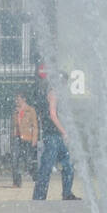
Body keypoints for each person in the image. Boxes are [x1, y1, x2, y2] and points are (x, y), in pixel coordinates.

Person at [32, 67, 80, 201]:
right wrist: (64, 132)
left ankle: (66, 193)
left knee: (68, 164)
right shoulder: (53, 93)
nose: (65, 84)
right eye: (64, 81)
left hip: (55, 136)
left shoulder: (53, 93)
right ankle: (39, 197)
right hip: (53, 136)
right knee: (47, 167)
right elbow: (53, 115)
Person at [11, 89, 38, 188]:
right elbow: (14, 125)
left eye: (18, 99)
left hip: (27, 137)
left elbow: (35, 125)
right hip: (17, 137)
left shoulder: (30, 110)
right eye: (16, 99)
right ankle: (16, 182)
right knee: (15, 160)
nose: (16, 101)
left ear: (24, 99)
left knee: (28, 160)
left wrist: (34, 138)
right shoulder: (15, 111)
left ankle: (35, 175)